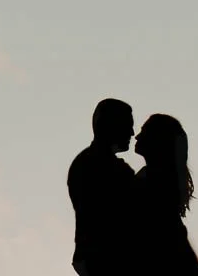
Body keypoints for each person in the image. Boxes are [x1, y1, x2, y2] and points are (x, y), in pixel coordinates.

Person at [68, 98, 137, 276]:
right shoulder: (107, 168)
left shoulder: (86, 162)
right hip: (107, 260)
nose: (132, 132)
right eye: (127, 125)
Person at [132, 114, 198, 275]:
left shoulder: (152, 181)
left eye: (144, 131)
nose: (137, 136)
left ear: (157, 140)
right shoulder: (161, 180)